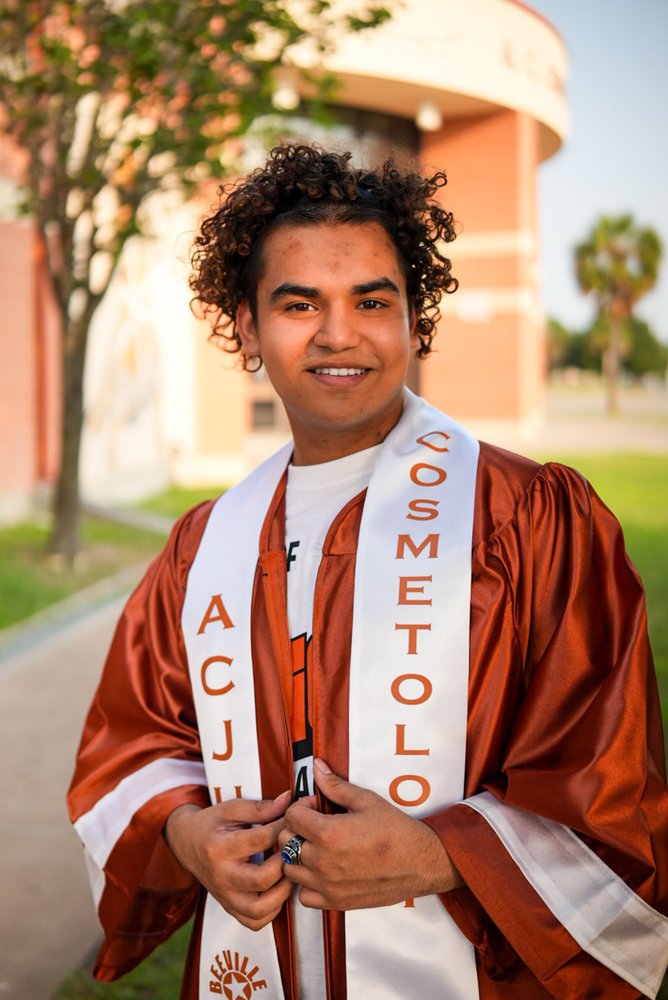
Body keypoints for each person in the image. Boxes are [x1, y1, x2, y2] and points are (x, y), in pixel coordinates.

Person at [68, 144, 668, 1000]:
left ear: (414, 319)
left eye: (372, 301)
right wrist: (185, 834)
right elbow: (134, 743)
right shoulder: (204, 547)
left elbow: (609, 781)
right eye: (299, 303)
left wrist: (442, 855)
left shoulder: (528, 520)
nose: (338, 333)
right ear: (247, 327)